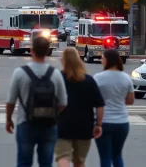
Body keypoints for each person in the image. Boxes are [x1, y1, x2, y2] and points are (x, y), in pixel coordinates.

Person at [6, 36, 67, 167]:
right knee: (46, 163)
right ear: (47, 51)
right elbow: (63, 102)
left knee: (24, 162)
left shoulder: (20, 73)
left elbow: (11, 101)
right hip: (49, 125)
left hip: (25, 123)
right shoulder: (55, 74)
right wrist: (52, 113)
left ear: (31, 50)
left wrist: (8, 119)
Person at [55, 47, 105, 167]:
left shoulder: (58, 78)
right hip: (84, 126)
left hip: (62, 125)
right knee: (79, 161)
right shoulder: (89, 80)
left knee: (62, 157)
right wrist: (98, 124)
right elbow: (100, 105)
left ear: (64, 61)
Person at [94, 49, 134, 167]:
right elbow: (130, 100)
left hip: (104, 122)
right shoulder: (126, 78)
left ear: (107, 60)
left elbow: (95, 100)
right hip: (122, 122)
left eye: (102, 58)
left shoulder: (98, 78)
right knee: (117, 155)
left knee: (105, 156)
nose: (101, 60)